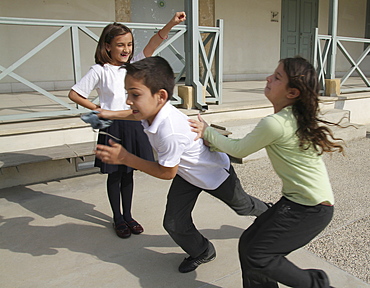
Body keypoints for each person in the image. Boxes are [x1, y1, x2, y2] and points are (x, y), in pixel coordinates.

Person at [94, 56, 269, 273]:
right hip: (187, 174)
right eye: (127, 93)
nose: (128, 100)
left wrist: (126, 158)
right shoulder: (150, 110)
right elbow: (134, 113)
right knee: (174, 222)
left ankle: (269, 213)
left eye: (135, 94)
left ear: (161, 96)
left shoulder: (170, 131)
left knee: (243, 206)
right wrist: (109, 113)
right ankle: (202, 251)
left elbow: (166, 172)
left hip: (213, 174)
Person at [189, 56, 342, 288]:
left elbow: (240, 149)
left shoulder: (276, 123)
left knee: (258, 255)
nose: (268, 78)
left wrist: (207, 132)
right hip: (300, 202)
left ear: (292, 93)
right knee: (249, 244)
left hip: (310, 209)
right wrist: (215, 141)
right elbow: (241, 144)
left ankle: (317, 284)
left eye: (277, 77)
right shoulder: (291, 118)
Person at [68, 12, 186, 239]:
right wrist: (97, 109)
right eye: (120, 44)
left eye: (129, 44)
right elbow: (74, 93)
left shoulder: (134, 66)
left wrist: (171, 23)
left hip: (133, 124)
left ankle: (129, 215)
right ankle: (117, 217)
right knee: (115, 175)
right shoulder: (99, 70)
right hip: (112, 127)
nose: (126, 49)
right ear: (107, 46)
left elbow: (155, 42)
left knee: (129, 172)